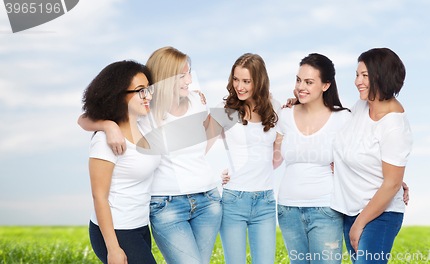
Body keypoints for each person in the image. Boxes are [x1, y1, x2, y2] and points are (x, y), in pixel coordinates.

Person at [79, 47, 222, 264]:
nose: (189, 80)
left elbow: (204, 137)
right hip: (139, 219)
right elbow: (84, 118)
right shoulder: (126, 125)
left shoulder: (152, 120)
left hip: (151, 221)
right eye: (182, 75)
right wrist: (107, 125)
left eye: (189, 73)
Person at [330, 47, 412, 264]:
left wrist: (360, 224)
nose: (358, 81)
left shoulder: (393, 123)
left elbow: (391, 184)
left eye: (365, 75)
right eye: (357, 75)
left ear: (382, 76)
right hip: (351, 209)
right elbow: (350, 147)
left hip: (378, 215)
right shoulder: (360, 107)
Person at [274, 53, 351, 264]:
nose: (301, 87)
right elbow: (273, 160)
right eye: (299, 80)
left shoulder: (343, 118)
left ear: (326, 85)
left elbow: (360, 160)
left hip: (326, 209)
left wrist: (397, 182)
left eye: (309, 82)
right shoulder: (285, 115)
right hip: (288, 209)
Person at [82, 60, 161, 264]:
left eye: (149, 89)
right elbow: (99, 196)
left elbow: (83, 119)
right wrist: (113, 248)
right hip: (116, 231)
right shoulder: (104, 140)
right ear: (118, 95)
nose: (148, 96)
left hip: (140, 226)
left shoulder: (144, 125)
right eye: (140, 91)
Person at [210, 53, 281, 264]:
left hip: (266, 201)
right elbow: (198, 149)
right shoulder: (224, 111)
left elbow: (276, 160)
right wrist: (217, 174)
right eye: (236, 79)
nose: (239, 86)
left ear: (258, 82)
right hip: (234, 201)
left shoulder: (275, 107)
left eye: (246, 81)